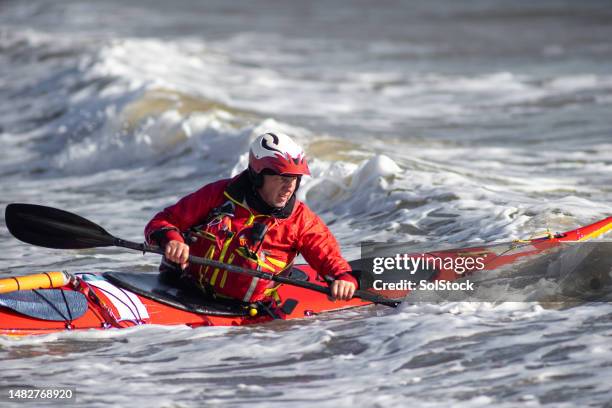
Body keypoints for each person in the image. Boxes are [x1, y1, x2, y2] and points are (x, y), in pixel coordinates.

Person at [144, 132, 357, 304]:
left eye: (294, 178)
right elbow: (162, 222)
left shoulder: (301, 221)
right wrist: (171, 239)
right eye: (281, 177)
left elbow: (332, 261)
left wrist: (344, 279)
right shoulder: (218, 194)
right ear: (258, 175)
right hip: (182, 291)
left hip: (245, 316)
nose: (289, 186)